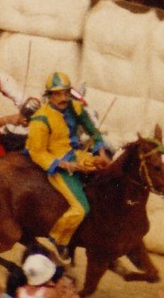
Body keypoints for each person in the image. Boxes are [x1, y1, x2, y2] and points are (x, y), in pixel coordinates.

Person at [25, 71, 105, 252]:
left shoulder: (75, 107)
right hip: (57, 163)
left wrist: (100, 152)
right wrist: (65, 165)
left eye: (66, 93)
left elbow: (93, 129)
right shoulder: (40, 119)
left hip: (75, 154)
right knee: (80, 208)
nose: (63, 98)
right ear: (49, 96)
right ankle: (56, 240)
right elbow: (37, 153)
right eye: (58, 94)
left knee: (105, 171)